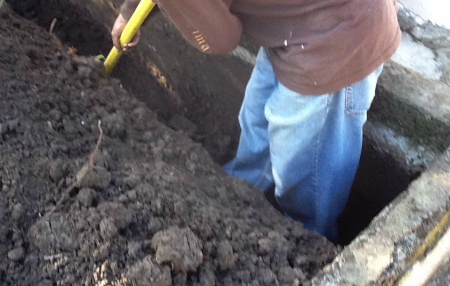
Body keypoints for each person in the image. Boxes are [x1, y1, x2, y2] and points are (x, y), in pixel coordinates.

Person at [112, 0, 401, 240]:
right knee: (257, 121)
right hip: (294, 24)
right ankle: (240, 196)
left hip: (334, 37)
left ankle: (308, 240)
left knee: (306, 174)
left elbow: (219, 38)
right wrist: (130, 13)